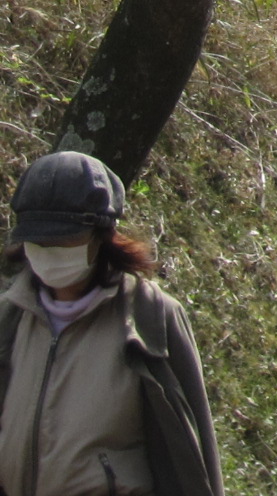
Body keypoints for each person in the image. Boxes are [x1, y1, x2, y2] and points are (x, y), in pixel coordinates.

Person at [0, 151, 224, 496]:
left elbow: (193, 450)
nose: (49, 250)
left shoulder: (150, 317)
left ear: (100, 236)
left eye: (63, 240)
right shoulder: (10, 316)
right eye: (39, 241)